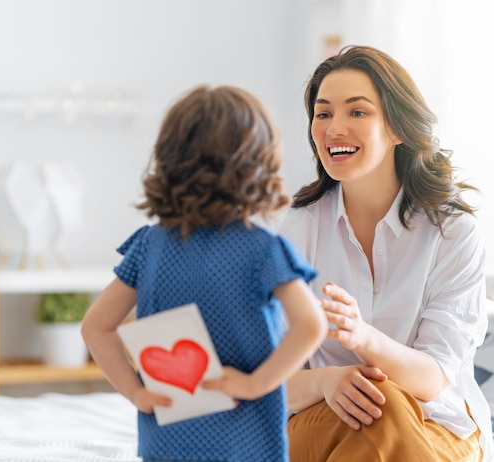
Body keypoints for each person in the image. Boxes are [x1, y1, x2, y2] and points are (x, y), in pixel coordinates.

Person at [81, 84, 327, 462]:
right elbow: (312, 326)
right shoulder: (263, 250)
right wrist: (256, 383)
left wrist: (136, 392)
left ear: (169, 159)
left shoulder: (148, 246)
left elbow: (95, 327)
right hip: (244, 439)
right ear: (259, 164)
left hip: (166, 435)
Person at [275, 45, 493, 461]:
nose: (334, 127)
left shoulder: (453, 233)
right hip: (322, 419)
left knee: (385, 404)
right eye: (323, 114)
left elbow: (432, 379)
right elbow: (263, 377)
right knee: (381, 407)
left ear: (398, 127)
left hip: (436, 427)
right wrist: (325, 381)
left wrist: (363, 337)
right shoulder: (297, 227)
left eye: (357, 112)